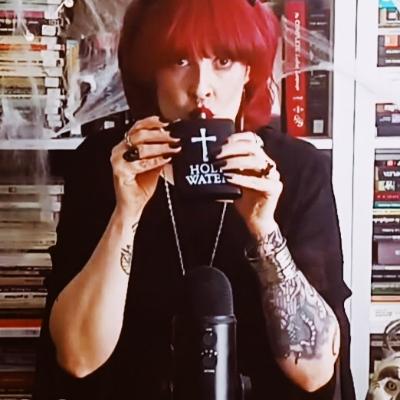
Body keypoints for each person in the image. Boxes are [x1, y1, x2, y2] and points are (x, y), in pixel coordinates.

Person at [33, 0, 355, 399]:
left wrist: (264, 228)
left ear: (248, 72)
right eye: (179, 60)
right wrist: (126, 213)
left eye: (223, 61)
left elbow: (316, 372)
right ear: (151, 71)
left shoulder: (296, 169)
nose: (201, 87)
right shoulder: (105, 165)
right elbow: (78, 358)